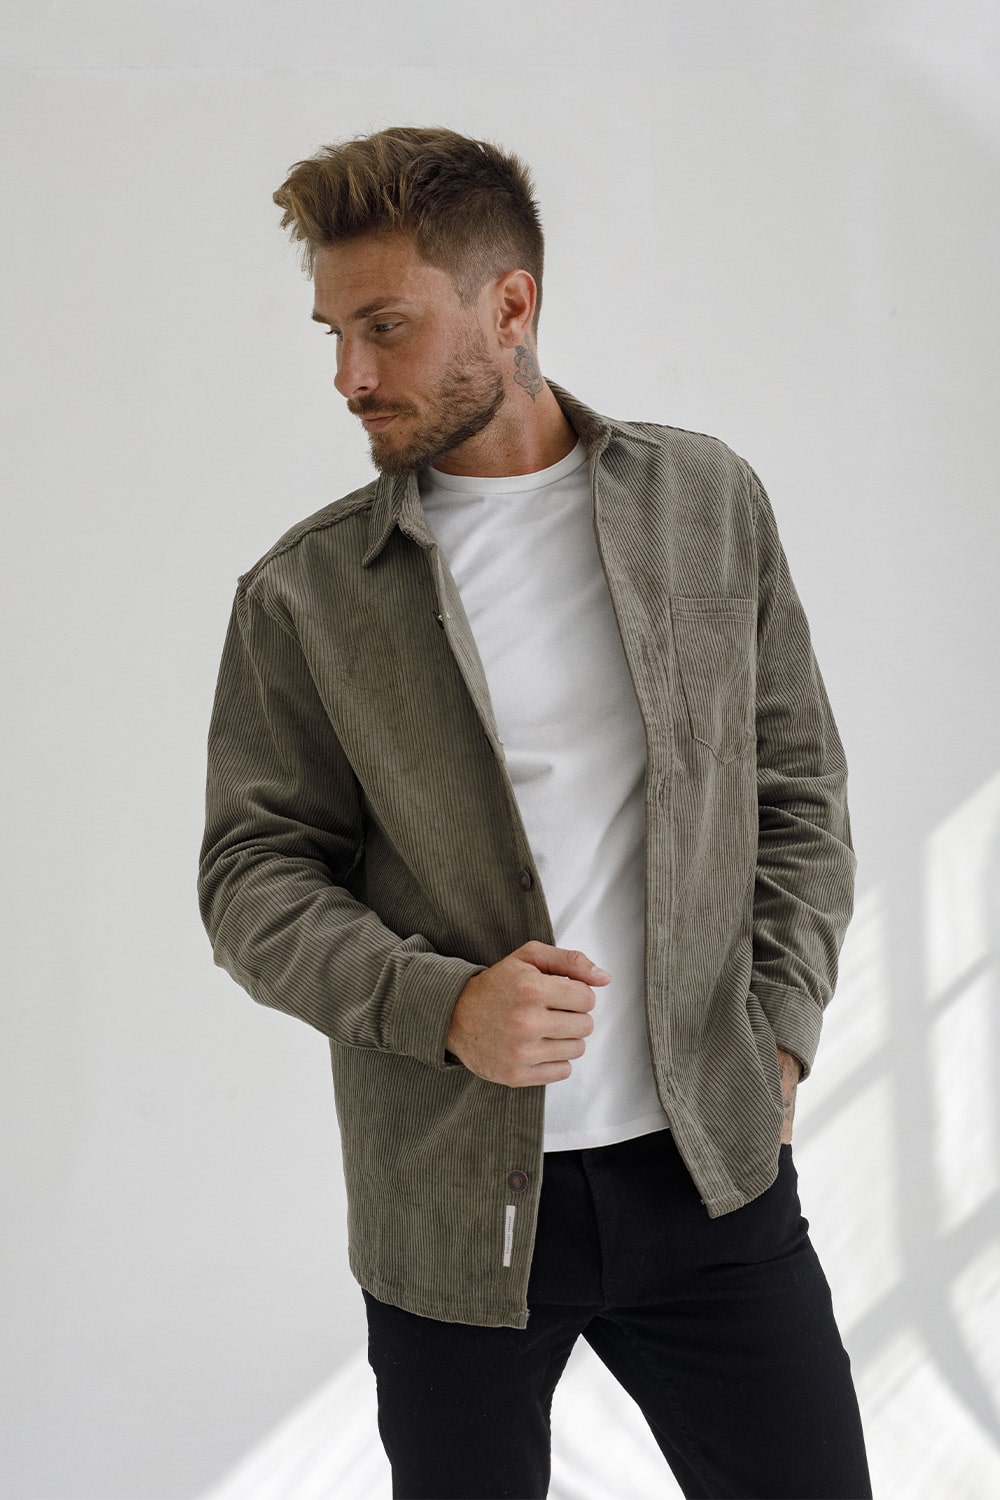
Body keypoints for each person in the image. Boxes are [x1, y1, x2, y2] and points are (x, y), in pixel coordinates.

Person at [198, 125, 872, 1500]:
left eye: (386, 328)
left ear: (510, 307)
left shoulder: (704, 504)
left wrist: (781, 1035)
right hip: (453, 1212)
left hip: (712, 1172)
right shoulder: (306, 594)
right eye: (335, 333)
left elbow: (796, 785)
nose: (350, 377)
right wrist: (444, 1005)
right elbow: (250, 880)